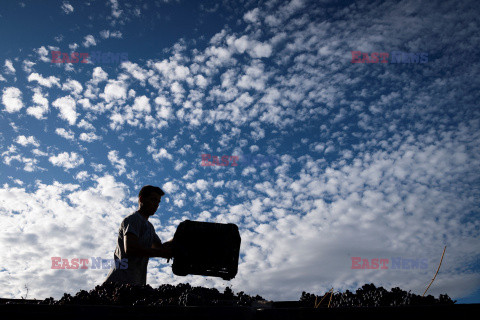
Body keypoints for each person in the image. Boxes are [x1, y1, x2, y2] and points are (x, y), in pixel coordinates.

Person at [104, 185, 173, 286]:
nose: (156, 205)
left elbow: (161, 248)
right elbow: (131, 249)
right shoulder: (133, 219)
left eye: (158, 202)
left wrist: (178, 236)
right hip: (118, 283)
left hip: (135, 285)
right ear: (141, 199)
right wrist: (162, 253)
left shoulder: (150, 227)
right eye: (153, 200)